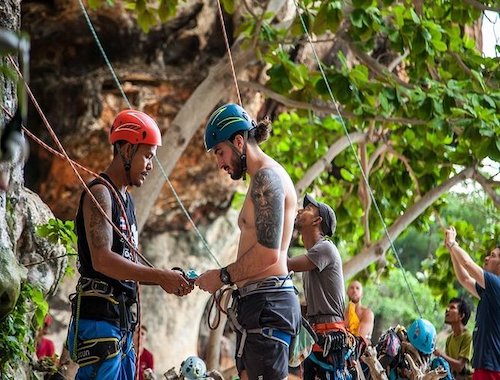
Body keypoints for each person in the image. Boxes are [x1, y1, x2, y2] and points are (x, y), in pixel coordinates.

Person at [67, 109, 193, 380]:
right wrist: (160, 276)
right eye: (147, 156)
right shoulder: (100, 194)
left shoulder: (127, 202)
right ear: (125, 150)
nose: (150, 165)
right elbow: (102, 260)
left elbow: (128, 267)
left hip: (120, 325)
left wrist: (166, 279)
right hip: (100, 324)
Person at [196, 103, 301, 380]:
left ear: (239, 141)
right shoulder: (261, 179)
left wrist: (222, 276)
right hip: (261, 306)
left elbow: (269, 254)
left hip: (268, 306)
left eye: (220, 152)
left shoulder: (267, 178)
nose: (220, 163)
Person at [288, 194, 359, 379]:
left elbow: (284, 264)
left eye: (308, 209)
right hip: (316, 334)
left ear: (317, 221)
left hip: (329, 334)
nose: (300, 210)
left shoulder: (325, 249)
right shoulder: (312, 255)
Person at [445, 226, 500, 380]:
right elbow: (464, 279)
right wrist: (451, 251)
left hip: (492, 369)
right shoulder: (489, 291)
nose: (487, 258)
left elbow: (468, 264)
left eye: (493, 256)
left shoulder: (496, 284)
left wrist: (453, 243)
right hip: (484, 366)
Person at [434, 297, 473, 379]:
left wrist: (440, 354)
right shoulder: (449, 339)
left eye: (452, 307)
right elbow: (449, 366)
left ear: (461, 315)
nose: (447, 310)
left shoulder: (467, 337)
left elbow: (459, 367)